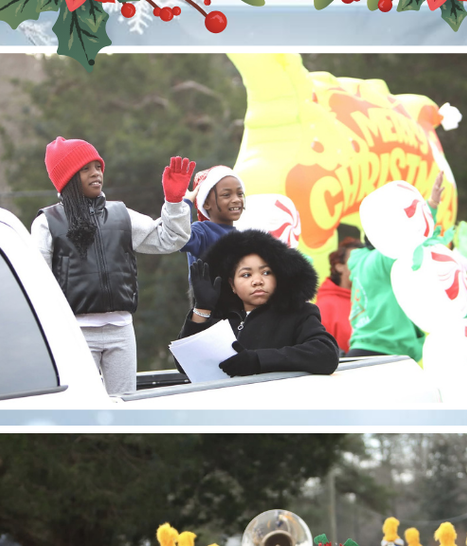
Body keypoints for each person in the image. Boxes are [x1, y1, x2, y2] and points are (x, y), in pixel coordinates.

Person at [32, 137, 194, 395]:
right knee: (82, 408)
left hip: (121, 331)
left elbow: (169, 239)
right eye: (86, 169)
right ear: (68, 177)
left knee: (125, 408)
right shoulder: (47, 222)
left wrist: (174, 202)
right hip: (75, 334)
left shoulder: (121, 214)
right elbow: (36, 284)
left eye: (98, 167)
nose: (96, 173)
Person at [180, 228, 340, 377]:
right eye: (246, 275)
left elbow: (326, 354)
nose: (257, 281)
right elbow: (184, 364)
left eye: (266, 272)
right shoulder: (220, 319)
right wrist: (202, 309)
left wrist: (259, 360)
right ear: (232, 285)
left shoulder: (299, 313)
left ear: (278, 277)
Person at [345, 176, 443, 359]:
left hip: (361, 348)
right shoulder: (385, 258)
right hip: (388, 351)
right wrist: (431, 207)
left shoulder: (359, 261)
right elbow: (416, 241)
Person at [180, 166, 246, 268]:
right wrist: (185, 204)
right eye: (226, 195)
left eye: (240, 194)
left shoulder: (243, 238)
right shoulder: (202, 232)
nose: (236, 199)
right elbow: (182, 238)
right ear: (206, 203)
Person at [317, 237, 366, 352]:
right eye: (354, 261)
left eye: (363, 262)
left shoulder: (373, 301)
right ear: (339, 266)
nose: (361, 266)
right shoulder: (325, 307)